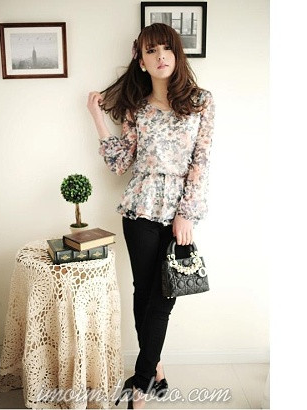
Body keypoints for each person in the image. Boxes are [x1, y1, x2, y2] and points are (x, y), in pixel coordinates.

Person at [87, 23, 214, 409]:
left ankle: (139, 383)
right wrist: (96, 117)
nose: (160, 56)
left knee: (163, 297)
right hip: (139, 209)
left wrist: (186, 214)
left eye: (166, 49)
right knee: (144, 293)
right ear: (141, 61)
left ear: (176, 54)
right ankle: (155, 370)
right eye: (151, 51)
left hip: (177, 213)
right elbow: (119, 163)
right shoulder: (137, 109)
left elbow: (201, 162)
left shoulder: (200, 101)